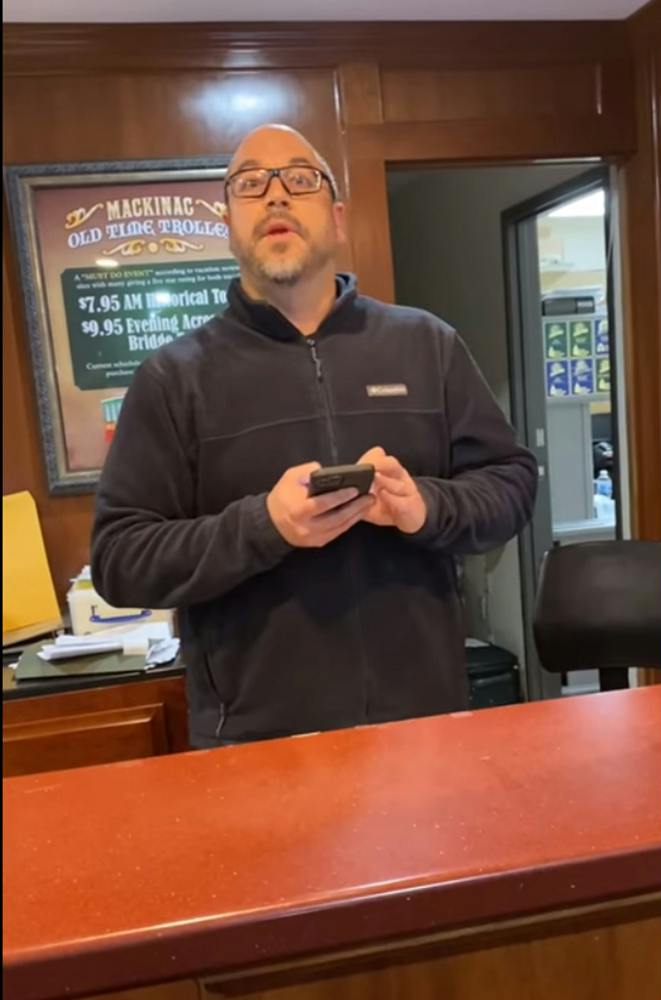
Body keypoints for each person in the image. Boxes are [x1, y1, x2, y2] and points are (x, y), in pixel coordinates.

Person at [90, 124, 538, 747]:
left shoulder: (427, 346)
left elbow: (512, 484)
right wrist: (263, 526)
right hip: (255, 746)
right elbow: (119, 560)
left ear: (335, 216)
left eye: (299, 179)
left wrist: (427, 507)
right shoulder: (173, 379)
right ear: (228, 223)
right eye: (250, 184)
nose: (275, 196)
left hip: (423, 731)